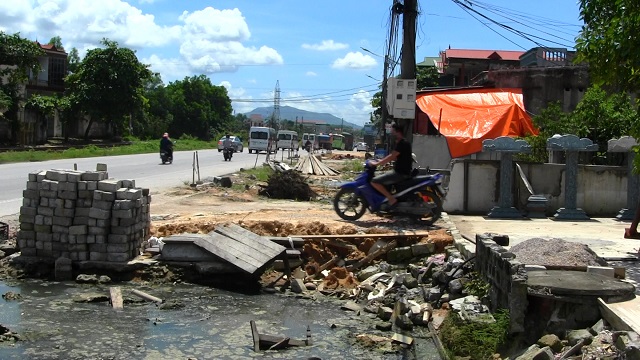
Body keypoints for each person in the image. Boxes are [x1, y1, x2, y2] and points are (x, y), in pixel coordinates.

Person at [369, 123, 412, 208]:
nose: (391, 134)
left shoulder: (402, 143)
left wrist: (377, 163)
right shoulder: (403, 142)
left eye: (392, 131)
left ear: (397, 132)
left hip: (400, 173)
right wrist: (381, 161)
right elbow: (395, 158)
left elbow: (392, 156)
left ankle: (391, 199)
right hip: (401, 171)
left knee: (374, 181)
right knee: (383, 177)